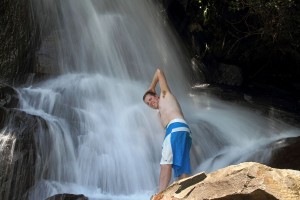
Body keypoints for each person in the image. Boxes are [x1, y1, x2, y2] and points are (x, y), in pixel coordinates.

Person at [143, 68, 192, 192]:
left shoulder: (165, 95)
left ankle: (160, 194)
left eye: (150, 99)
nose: (151, 103)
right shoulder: (160, 113)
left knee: (165, 164)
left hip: (175, 129)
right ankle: (185, 193)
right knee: (182, 167)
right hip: (184, 131)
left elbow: (159, 71)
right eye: (148, 104)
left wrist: (151, 87)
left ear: (156, 95)